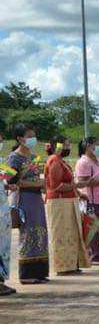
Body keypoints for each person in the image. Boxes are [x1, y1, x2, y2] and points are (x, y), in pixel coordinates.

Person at [7, 125, 49, 284]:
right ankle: (27, 274)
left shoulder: (33, 156)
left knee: (40, 234)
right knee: (28, 234)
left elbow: (35, 177)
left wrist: (41, 184)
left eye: (34, 135)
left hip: (36, 198)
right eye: (29, 136)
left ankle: (39, 272)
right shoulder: (14, 158)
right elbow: (12, 181)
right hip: (24, 198)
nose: (33, 139)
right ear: (19, 139)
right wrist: (36, 183)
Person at [44, 137, 90, 275]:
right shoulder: (54, 161)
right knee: (61, 235)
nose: (68, 147)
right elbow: (56, 186)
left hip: (68, 201)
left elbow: (68, 182)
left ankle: (71, 264)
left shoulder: (61, 161)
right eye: (65, 145)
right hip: (59, 202)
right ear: (55, 146)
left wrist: (78, 192)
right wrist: (77, 185)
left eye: (69, 144)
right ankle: (63, 267)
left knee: (72, 234)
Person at [74, 136, 99, 265]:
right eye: (95, 145)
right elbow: (82, 182)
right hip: (92, 200)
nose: (98, 148)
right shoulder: (83, 162)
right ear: (87, 146)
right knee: (94, 230)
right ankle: (95, 256)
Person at [0, 135, 17, 295]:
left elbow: (6, 177)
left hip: (3, 212)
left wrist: (8, 185)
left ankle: (1, 281)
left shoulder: (1, 161)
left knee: (3, 247)